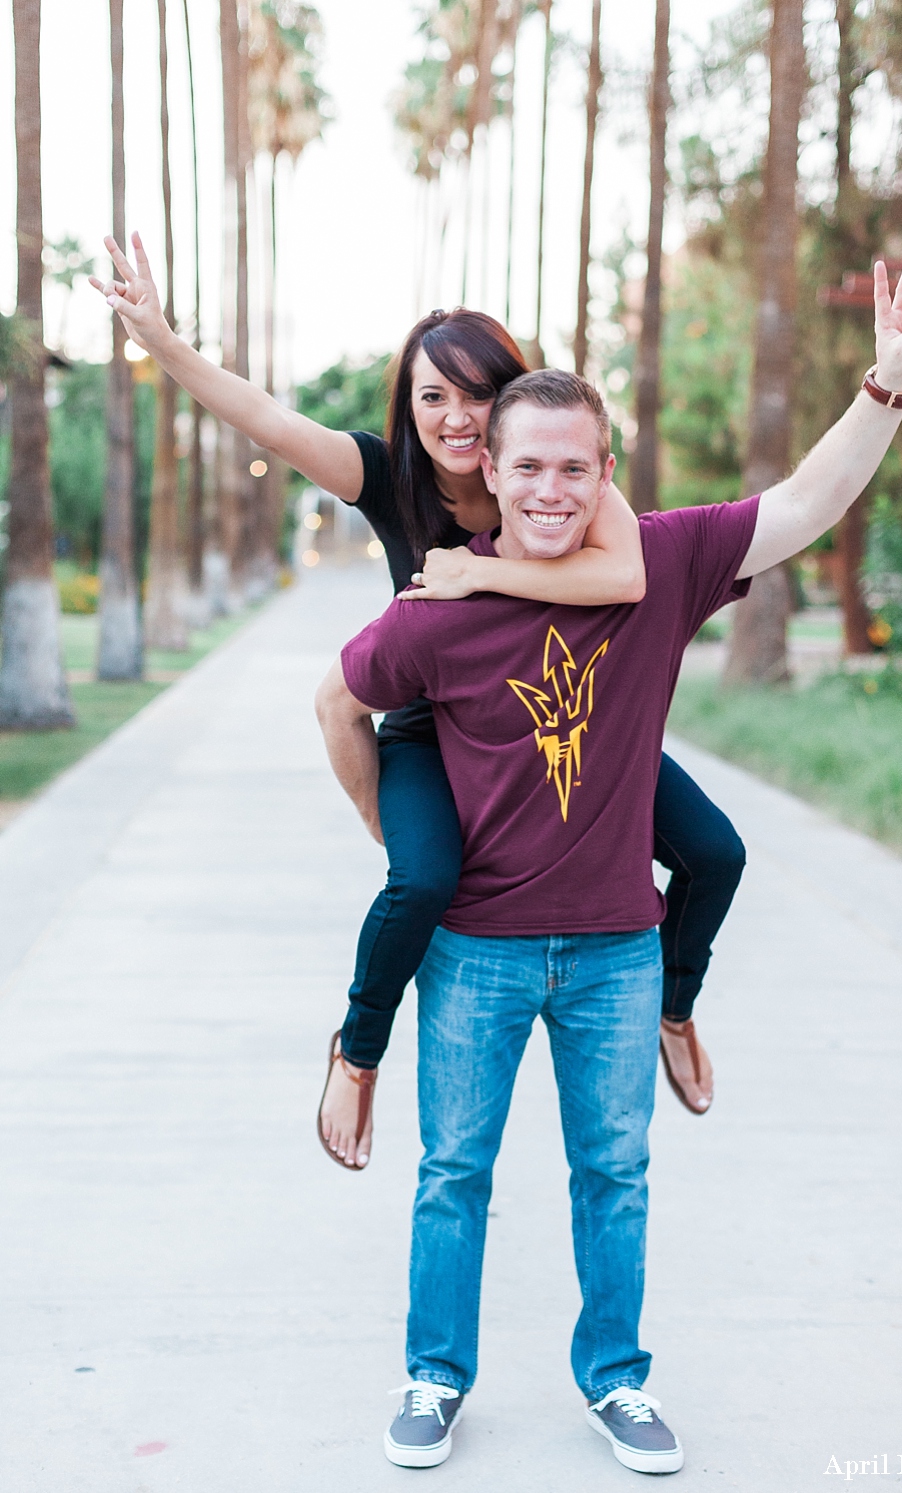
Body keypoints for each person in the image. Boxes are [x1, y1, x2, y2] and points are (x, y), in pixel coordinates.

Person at [314, 256, 902, 1472]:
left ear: (605, 475)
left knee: (615, 1173)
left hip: (614, 947)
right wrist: (389, 838)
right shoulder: (434, 608)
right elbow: (339, 705)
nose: (549, 489)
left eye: (574, 466)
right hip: (476, 953)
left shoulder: (658, 568)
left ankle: (615, 1379)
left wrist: (886, 387)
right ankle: (434, 1373)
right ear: (484, 472)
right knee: (455, 1173)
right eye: (526, 465)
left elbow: (808, 500)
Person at [93, 235, 748, 1172]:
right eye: (430, 395)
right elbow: (268, 421)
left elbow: (629, 576)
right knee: (422, 880)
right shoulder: (385, 477)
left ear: (512, 397)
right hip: (435, 728)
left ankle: (674, 1004)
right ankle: (356, 1053)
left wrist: (481, 583)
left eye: (475, 393)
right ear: (409, 406)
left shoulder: (558, 474)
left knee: (715, 852)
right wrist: (162, 342)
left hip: (562, 723)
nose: (454, 417)